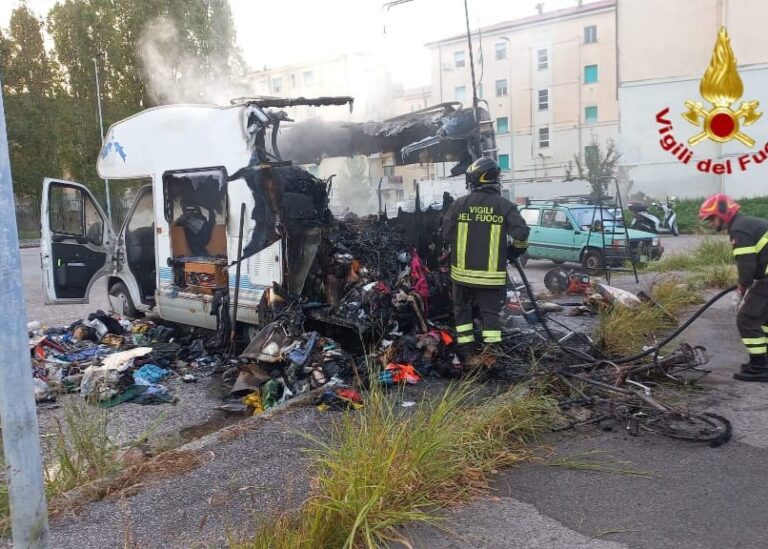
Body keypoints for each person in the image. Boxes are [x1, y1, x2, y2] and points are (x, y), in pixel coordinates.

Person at [441, 157, 530, 353]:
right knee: (490, 315)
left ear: (474, 180)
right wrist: (513, 251)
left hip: (461, 276)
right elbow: (521, 235)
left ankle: (467, 351)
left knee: (462, 312)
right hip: (490, 277)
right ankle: (491, 354)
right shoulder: (504, 206)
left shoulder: (459, 205)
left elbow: (446, 235)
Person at [699, 193, 768, 382]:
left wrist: (740, 291)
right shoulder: (747, 223)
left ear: (722, 214)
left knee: (747, 319)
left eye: (711, 219)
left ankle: (760, 368)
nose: (711, 224)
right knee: (763, 319)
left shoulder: (739, 229)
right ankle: (763, 361)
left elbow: (747, 266)